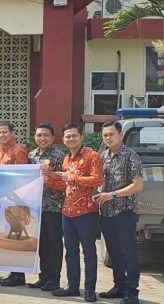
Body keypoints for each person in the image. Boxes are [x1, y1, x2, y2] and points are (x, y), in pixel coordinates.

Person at [50, 124, 103, 302]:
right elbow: (65, 185)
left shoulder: (92, 156)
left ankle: (89, 289)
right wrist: (48, 177)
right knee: (70, 251)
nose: (71, 139)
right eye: (67, 137)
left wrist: (70, 178)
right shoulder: (66, 159)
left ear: (81, 137)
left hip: (86, 211)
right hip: (67, 211)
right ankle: (73, 286)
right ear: (63, 140)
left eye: (74, 136)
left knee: (88, 252)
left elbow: (97, 179)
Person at [94, 121, 143, 304]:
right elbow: (101, 181)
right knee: (114, 252)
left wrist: (112, 194)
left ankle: (132, 293)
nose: (108, 138)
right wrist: (99, 192)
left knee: (128, 253)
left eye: (111, 134)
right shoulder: (102, 156)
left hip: (124, 212)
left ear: (120, 135)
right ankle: (119, 286)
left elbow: (138, 185)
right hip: (106, 212)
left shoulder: (131, 156)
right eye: (105, 135)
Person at [0, 120, 30, 287]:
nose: (1, 135)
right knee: (12, 234)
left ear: (12, 133)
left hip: (17, 201)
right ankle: (14, 273)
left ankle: (18, 276)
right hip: (7, 200)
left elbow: (21, 177)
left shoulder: (18, 151)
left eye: (4, 132)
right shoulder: (3, 150)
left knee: (17, 235)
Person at [26, 123, 66, 292]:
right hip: (36, 208)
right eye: (39, 135)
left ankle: (54, 279)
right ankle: (44, 277)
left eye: (46, 135)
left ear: (53, 138)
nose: (42, 138)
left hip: (54, 208)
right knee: (41, 245)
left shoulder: (60, 156)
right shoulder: (31, 156)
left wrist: (51, 175)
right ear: (35, 137)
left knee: (54, 245)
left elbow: (66, 181)